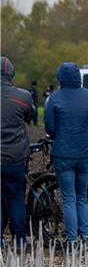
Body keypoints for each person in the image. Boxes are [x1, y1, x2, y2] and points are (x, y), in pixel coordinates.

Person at [44, 63, 88, 244]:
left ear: (60, 78)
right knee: (82, 197)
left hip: (63, 154)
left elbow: (50, 128)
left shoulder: (54, 98)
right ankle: (85, 236)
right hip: (85, 153)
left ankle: (71, 240)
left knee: (68, 198)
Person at [1, 57, 35, 247]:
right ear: (11, 74)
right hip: (15, 158)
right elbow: (30, 116)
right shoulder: (23, 96)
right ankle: (20, 239)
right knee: (16, 198)